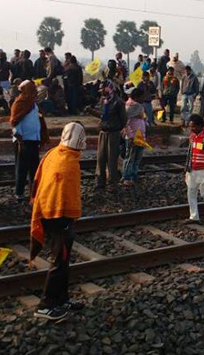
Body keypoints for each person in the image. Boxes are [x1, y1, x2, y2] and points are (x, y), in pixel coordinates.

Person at [29, 122, 86, 321]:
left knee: (63, 261)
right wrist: (66, 220)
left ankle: (62, 299)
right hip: (58, 219)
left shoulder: (55, 153)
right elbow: (62, 195)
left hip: (47, 212)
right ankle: (46, 305)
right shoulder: (68, 161)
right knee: (58, 261)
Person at [11, 80, 48, 202]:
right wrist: (19, 137)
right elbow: (15, 121)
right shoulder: (20, 103)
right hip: (23, 141)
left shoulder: (34, 105)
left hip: (33, 140)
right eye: (32, 89)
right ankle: (19, 193)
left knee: (34, 168)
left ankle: (34, 193)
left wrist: (40, 137)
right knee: (22, 169)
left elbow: (39, 120)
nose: (35, 92)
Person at [96, 85, 127, 190]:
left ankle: (112, 182)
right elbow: (102, 115)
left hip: (113, 133)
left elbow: (124, 119)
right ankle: (100, 181)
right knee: (101, 158)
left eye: (103, 89)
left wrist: (117, 128)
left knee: (112, 158)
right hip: (103, 132)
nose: (101, 92)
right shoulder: (104, 101)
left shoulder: (118, 102)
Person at [122, 88, 147, 185]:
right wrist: (130, 135)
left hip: (139, 135)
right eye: (142, 96)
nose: (143, 98)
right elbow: (126, 122)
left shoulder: (136, 106)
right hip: (133, 135)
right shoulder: (132, 107)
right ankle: (126, 177)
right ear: (137, 97)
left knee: (136, 157)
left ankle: (133, 175)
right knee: (131, 157)